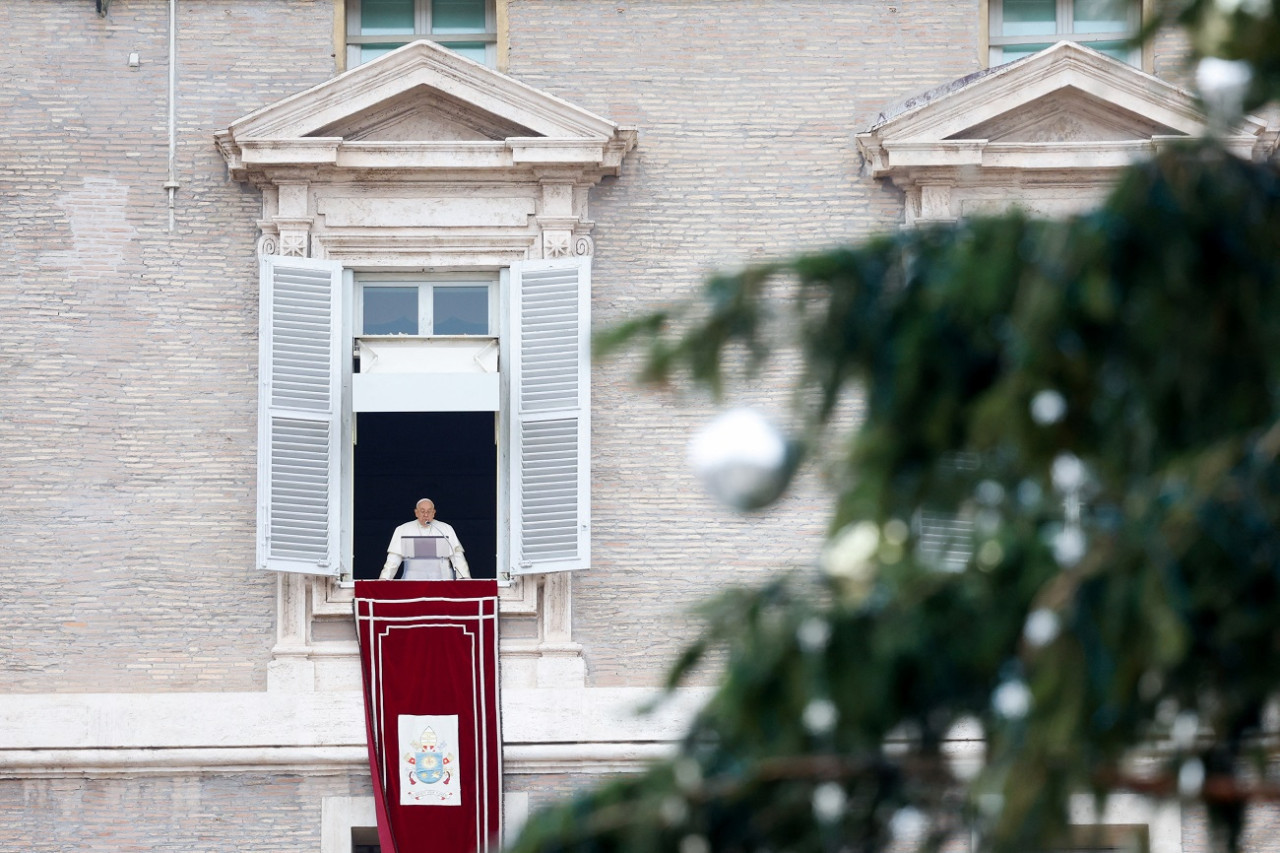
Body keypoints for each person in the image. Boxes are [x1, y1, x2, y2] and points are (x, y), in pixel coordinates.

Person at [379, 498, 472, 580]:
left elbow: (457, 557)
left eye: (429, 511)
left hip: (442, 580)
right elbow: (393, 559)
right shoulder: (403, 529)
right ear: (416, 512)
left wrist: (465, 579)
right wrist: (384, 578)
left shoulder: (446, 529)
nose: (426, 515)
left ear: (434, 513)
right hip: (413, 580)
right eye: (422, 511)